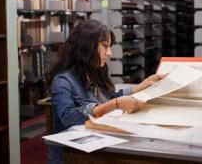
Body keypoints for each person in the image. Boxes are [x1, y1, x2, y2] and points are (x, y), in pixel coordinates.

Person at [46, 19, 164, 163]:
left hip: (97, 150)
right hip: (72, 156)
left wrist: (143, 86)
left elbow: (110, 97)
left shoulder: (94, 72)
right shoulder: (62, 81)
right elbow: (68, 117)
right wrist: (116, 104)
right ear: (86, 46)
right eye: (104, 46)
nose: (109, 53)